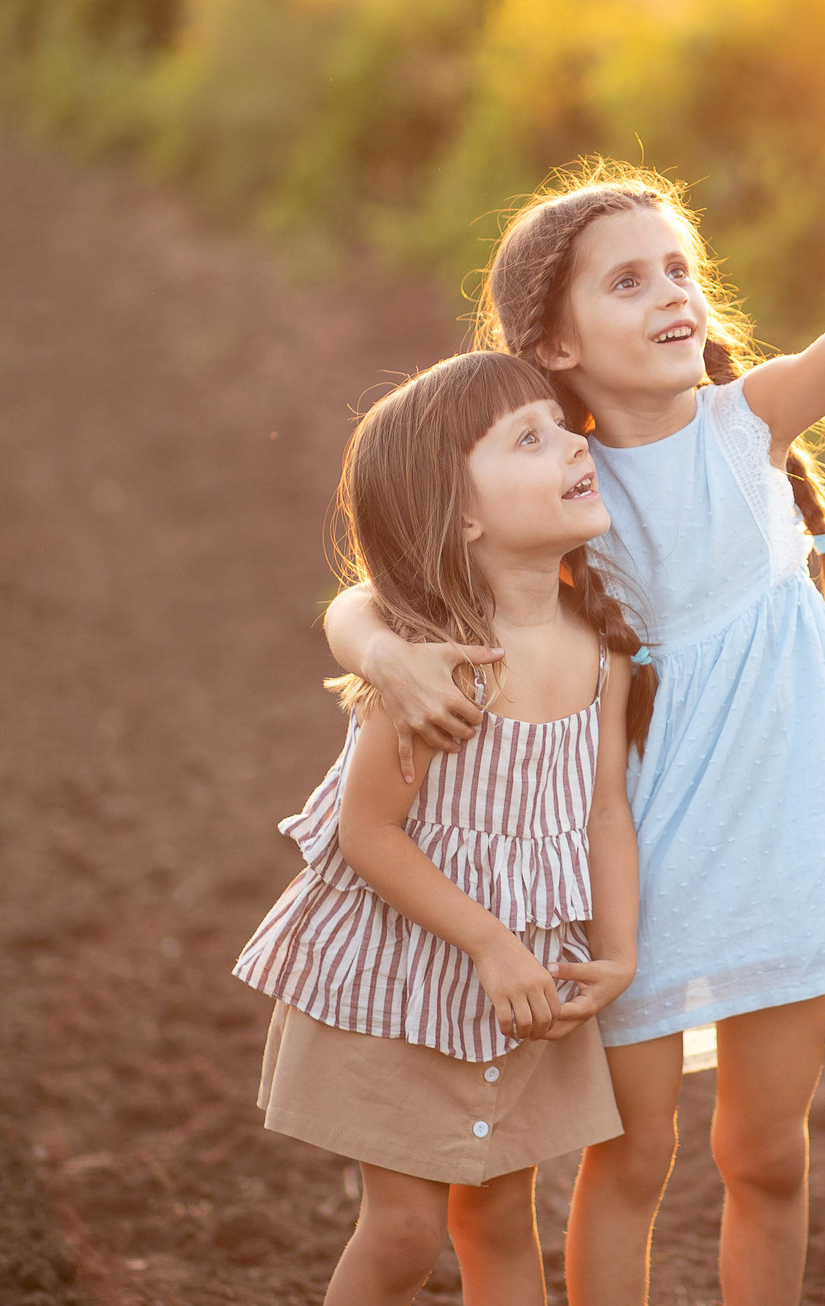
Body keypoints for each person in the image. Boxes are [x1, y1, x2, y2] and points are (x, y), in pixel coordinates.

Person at [327, 144, 825, 1305]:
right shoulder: (562, 486)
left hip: (784, 843)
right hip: (633, 868)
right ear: (556, 346)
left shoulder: (743, 429)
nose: (672, 291)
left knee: (766, 1154)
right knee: (633, 1155)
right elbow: (378, 587)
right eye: (626, 280)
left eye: (678, 268)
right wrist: (381, 653)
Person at [235, 350, 646, 1306]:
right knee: (410, 1229)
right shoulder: (435, 669)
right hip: (408, 977)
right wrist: (491, 941)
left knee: (503, 1221)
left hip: (523, 988)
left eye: (561, 423)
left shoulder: (602, 653)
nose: (571, 445)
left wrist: (617, 954)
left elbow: (603, 814)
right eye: (528, 438)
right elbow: (366, 833)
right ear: (463, 515)